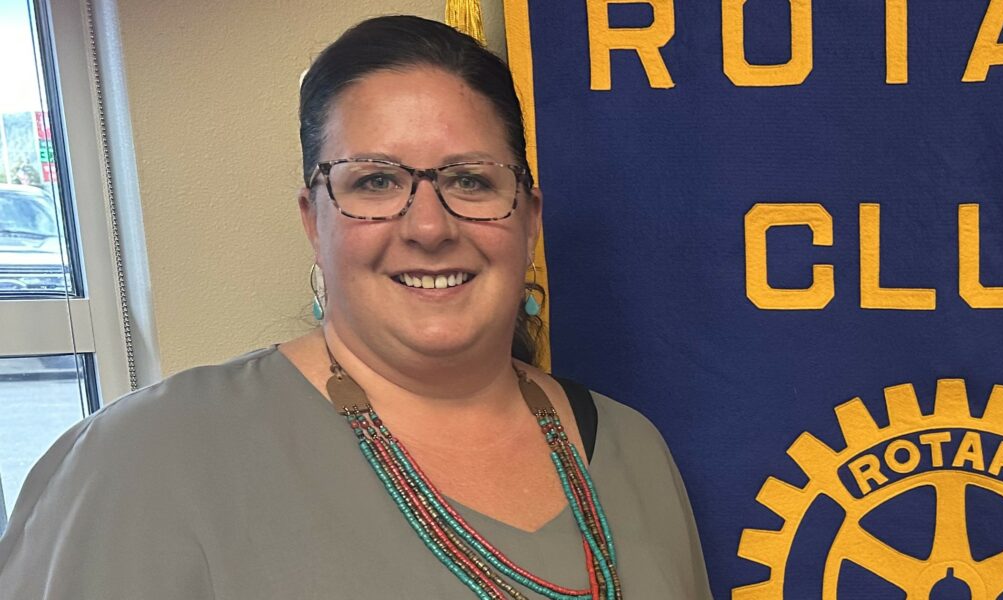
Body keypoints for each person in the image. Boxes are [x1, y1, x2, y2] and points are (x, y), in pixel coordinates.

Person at [0, 16, 710, 598]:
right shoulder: (142, 464)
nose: (429, 226)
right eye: (374, 181)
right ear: (315, 221)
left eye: (470, 180)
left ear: (528, 219)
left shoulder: (632, 452)